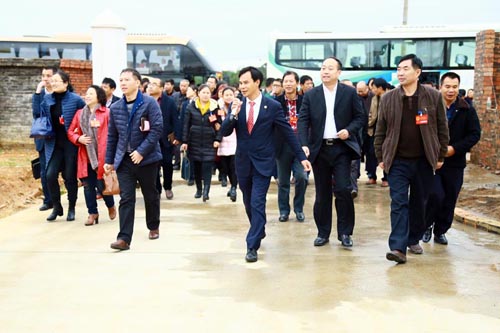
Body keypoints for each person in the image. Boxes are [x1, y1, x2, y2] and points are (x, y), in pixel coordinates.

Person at [219, 66, 312, 263]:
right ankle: (258, 229)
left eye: (245, 82)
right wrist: (233, 113)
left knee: (257, 202)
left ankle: (252, 245)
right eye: (240, 83)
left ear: (256, 83)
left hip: (263, 163)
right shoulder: (238, 105)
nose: (242, 87)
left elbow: (287, 132)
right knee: (248, 203)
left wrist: (301, 156)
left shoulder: (272, 106)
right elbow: (225, 131)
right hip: (243, 162)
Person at [374, 54, 449, 264]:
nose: (400, 72)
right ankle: (398, 247)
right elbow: (381, 129)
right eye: (398, 69)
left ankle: (413, 237)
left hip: (423, 160)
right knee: (398, 202)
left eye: (405, 69)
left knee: (419, 202)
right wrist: (381, 156)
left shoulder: (433, 96)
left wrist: (440, 154)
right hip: (397, 161)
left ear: (417, 72)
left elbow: (442, 127)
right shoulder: (388, 98)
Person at [297, 57, 365, 248]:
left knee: (343, 189)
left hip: (341, 148)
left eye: (330, 68)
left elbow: (360, 117)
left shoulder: (349, 93)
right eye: (323, 68)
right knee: (322, 193)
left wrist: (349, 130)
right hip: (319, 150)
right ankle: (323, 232)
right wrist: (304, 144)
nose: (325, 71)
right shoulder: (312, 95)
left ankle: (345, 233)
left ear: (339, 72)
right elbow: (303, 121)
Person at [104, 68, 163, 251]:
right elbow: (112, 136)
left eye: (127, 79)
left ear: (137, 82)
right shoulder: (115, 108)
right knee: (126, 198)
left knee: (150, 194)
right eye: (121, 79)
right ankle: (124, 239)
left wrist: (141, 152)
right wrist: (109, 160)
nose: (123, 83)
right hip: (125, 161)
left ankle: (153, 225)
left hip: (147, 159)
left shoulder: (149, 103)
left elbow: (156, 130)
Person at [422, 72, 481, 245]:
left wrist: (455, 149)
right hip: (432, 162)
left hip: (454, 163)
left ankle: (440, 230)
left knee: (449, 198)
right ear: (440, 87)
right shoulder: (429, 107)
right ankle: (426, 225)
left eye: (454, 87)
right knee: (434, 195)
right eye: (447, 86)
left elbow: (474, 134)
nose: (451, 90)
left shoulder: (466, 109)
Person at [67, 85, 116, 226]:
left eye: (90, 94)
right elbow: (70, 132)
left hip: (102, 155)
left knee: (103, 185)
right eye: (86, 93)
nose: (87, 96)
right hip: (85, 155)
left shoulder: (106, 113)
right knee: (88, 186)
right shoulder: (79, 114)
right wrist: (78, 138)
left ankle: (110, 205)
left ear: (98, 97)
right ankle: (92, 213)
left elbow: (113, 133)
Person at [40, 69, 85, 222]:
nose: (53, 83)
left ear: (66, 83)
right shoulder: (47, 99)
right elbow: (37, 114)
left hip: (71, 144)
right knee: (50, 175)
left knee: (70, 177)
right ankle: (57, 206)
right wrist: (37, 93)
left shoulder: (76, 99)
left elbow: (85, 116)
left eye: (56, 81)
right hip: (53, 143)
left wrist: (81, 136)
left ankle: (71, 207)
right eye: (52, 81)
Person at [275, 71, 307, 222]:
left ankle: (299, 208)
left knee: (302, 177)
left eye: (291, 81)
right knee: (283, 181)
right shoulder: (276, 102)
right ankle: (284, 210)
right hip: (282, 146)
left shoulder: (305, 101)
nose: (288, 84)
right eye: (285, 81)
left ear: (297, 83)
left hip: (301, 146)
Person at [181, 84, 221, 202]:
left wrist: (217, 139)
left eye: (208, 93)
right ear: (198, 93)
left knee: (207, 167)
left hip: (209, 141)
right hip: (194, 141)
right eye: (203, 92)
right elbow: (186, 125)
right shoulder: (191, 107)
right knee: (197, 168)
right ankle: (199, 189)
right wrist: (185, 141)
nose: (205, 95)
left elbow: (220, 125)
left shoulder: (215, 107)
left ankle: (206, 191)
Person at [147, 77, 180, 200]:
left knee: (167, 164)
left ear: (161, 88)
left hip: (165, 139)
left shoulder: (169, 102)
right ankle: (157, 189)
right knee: (153, 166)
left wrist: (177, 136)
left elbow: (175, 120)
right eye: (150, 84)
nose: (150, 86)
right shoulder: (145, 101)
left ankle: (168, 187)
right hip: (149, 140)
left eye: (154, 84)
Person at [32, 66, 57, 211]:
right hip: (43, 138)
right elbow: (36, 113)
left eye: (48, 75)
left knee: (66, 172)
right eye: (43, 76)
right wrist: (37, 91)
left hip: (59, 138)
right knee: (44, 171)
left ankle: (68, 195)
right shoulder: (39, 94)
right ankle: (48, 201)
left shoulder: (60, 93)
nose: (45, 79)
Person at [365, 78, 389, 187]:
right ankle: (372, 176)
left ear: (380, 88)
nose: (372, 90)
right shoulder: (374, 98)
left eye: (374, 88)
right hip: (373, 131)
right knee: (371, 154)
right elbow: (371, 113)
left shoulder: (390, 97)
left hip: (387, 132)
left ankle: (386, 178)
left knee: (386, 154)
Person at [216, 86, 238, 202]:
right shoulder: (217, 107)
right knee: (225, 166)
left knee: (233, 166)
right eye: (226, 95)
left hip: (235, 139)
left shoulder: (238, 106)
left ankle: (234, 187)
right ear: (222, 96)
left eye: (231, 94)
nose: (229, 97)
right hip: (222, 140)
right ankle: (231, 185)